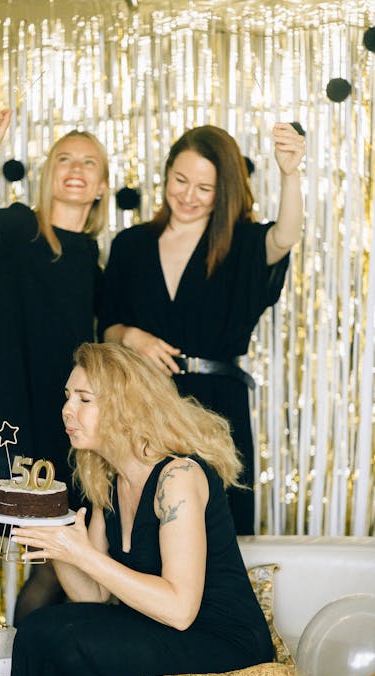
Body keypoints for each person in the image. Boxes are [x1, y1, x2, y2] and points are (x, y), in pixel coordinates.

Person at [2, 342, 274, 676]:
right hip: (162, 631)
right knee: (39, 628)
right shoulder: (106, 477)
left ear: (124, 407)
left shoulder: (178, 475)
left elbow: (180, 610)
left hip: (220, 641)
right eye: (67, 397)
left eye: (84, 399)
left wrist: (84, 554)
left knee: (59, 641)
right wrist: (56, 542)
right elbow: (92, 595)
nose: (67, 410)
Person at [0, 109, 109, 622]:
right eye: (64, 159)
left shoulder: (93, 254)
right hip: (21, 421)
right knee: (51, 564)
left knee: (64, 563)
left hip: (75, 426)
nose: (75, 168)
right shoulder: (20, 225)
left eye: (89, 162)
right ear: (48, 173)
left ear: (101, 186)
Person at [98, 122, 306, 535]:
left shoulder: (242, 242)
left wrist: (290, 173)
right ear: (168, 172)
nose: (188, 196)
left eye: (204, 188)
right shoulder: (130, 244)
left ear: (223, 191)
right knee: (142, 530)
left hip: (216, 410)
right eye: (180, 180)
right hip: (144, 403)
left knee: (217, 530)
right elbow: (105, 328)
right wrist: (129, 336)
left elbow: (285, 237)